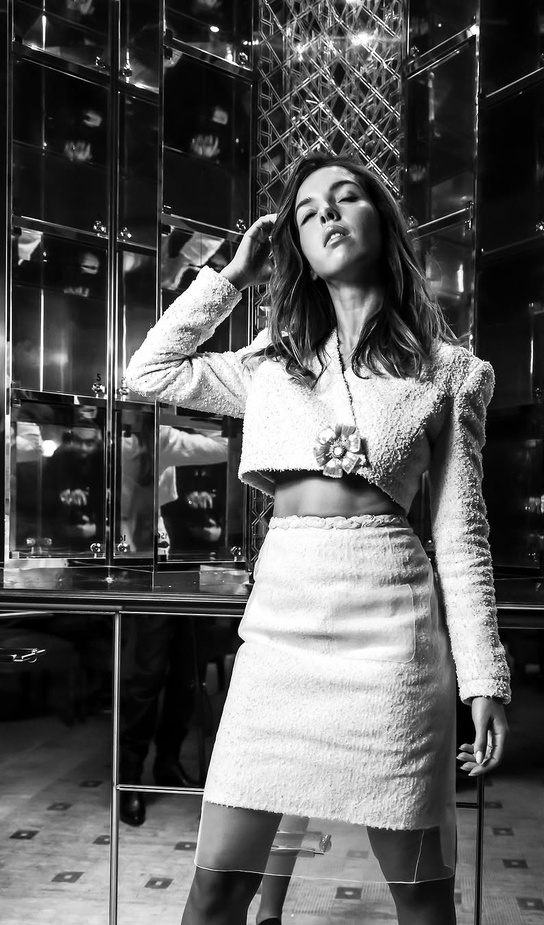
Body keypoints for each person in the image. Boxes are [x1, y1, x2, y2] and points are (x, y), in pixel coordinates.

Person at [125, 152, 511, 925]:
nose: (327, 213)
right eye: (307, 212)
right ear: (296, 248)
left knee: (422, 901)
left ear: (382, 221)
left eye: (345, 198)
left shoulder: (450, 373)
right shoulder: (272, 362)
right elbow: (149, 371)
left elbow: (460, 533)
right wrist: (232, 275)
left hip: (392, 642)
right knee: (215, 893)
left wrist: (484, 677)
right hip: (279, 638)